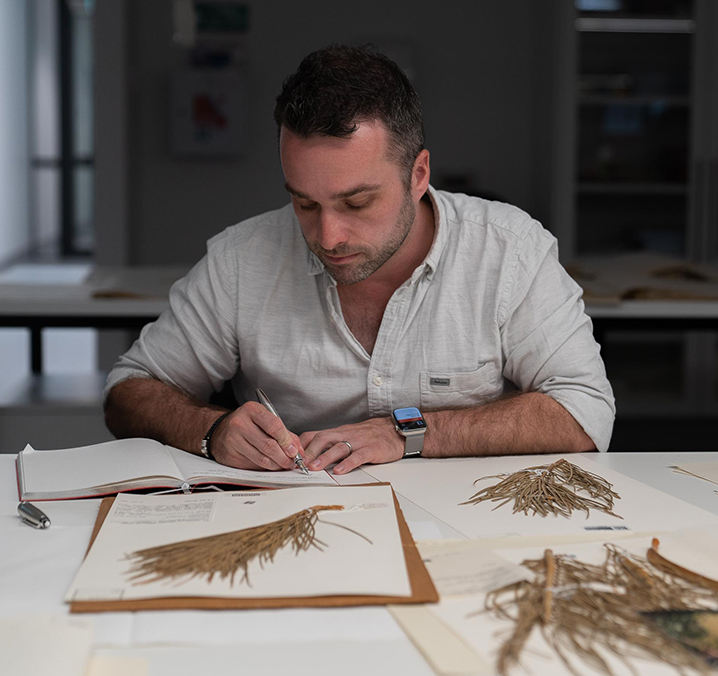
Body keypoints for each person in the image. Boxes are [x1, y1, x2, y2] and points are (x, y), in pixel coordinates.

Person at [104, 44, 614, 475]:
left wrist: (407, 434)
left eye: (357, 202)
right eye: (304, 203)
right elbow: (128, 391)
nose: (328, 235)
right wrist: (209, 430)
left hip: (471, 528)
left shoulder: (509, 251)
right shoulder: (242, 259)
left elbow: (585, 412)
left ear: (418, 176)